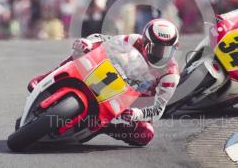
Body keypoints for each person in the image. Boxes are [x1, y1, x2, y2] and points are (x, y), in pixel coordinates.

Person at [27, 19, 180, 146]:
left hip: (133, 102)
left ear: (174, 49)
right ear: (145, 41)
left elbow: (158, 110)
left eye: (166, 50)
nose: (160, 54)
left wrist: (136, 114)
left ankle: (104, 127)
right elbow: (105, 39)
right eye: (154, 48)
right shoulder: (135, 40)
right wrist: (89, 43)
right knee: (81, 51)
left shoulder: (171, 75)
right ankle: (47, 76)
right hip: (113, 72)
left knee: (146, 134)